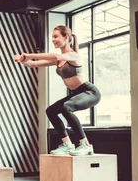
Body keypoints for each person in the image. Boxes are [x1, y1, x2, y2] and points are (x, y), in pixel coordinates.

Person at [14, 26, 100, 156]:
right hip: (76, 93)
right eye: (52, 37)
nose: (53, 40)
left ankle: (85, 145)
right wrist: (22, 60)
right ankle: (67, 145)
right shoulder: (58, 60)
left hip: (89, 92)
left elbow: (55, 55)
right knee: (51, 111)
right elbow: (33, 64)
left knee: (66, 107)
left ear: (66, 37)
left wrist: (30, 55)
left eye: (56, 36)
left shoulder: (73, 55)